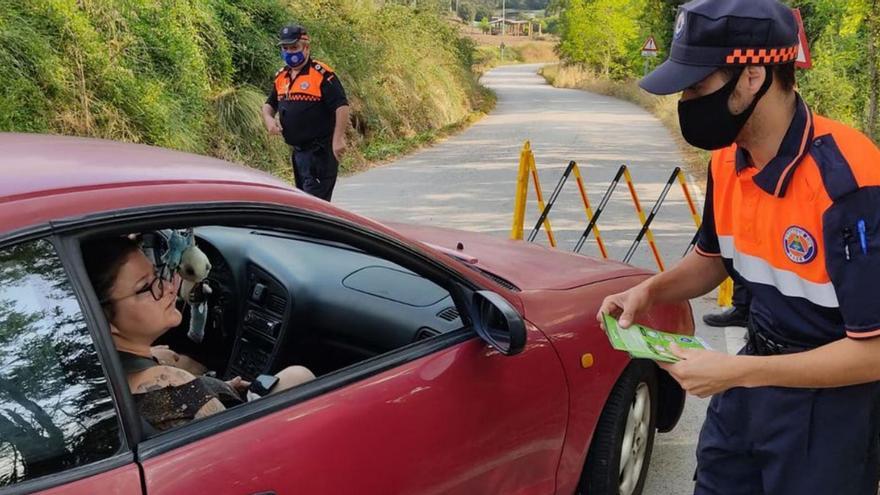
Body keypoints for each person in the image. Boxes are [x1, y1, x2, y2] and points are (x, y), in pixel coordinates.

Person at [599, 0, 880, 493]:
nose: (685, 101)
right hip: (747, 391)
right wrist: (651, 291)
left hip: (831, 411)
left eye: (696, 86)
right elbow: (714, 260)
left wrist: (738, 371)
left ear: (752, 76)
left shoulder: (851, 183)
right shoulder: (729, 161)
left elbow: (873, 353)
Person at [83, 236, 315, 432]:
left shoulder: (101, 371)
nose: (170, 287)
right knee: (299, 375)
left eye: (158, 275)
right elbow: (236, 448)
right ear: (100, 317)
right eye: (146, 287)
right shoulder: (172, 387)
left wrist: (220, 388)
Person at [262, 24, 350, 202]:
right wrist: (269, 120)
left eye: (294, 48)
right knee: (305, 204)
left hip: (320, 153)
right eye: (285, 48)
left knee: (314, 207)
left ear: (306, 47)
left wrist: (338, 139)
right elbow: (269, 104)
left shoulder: (321, 74)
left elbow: (341, 106)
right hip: (299, 154)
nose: (289, 52)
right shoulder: (282, 76)